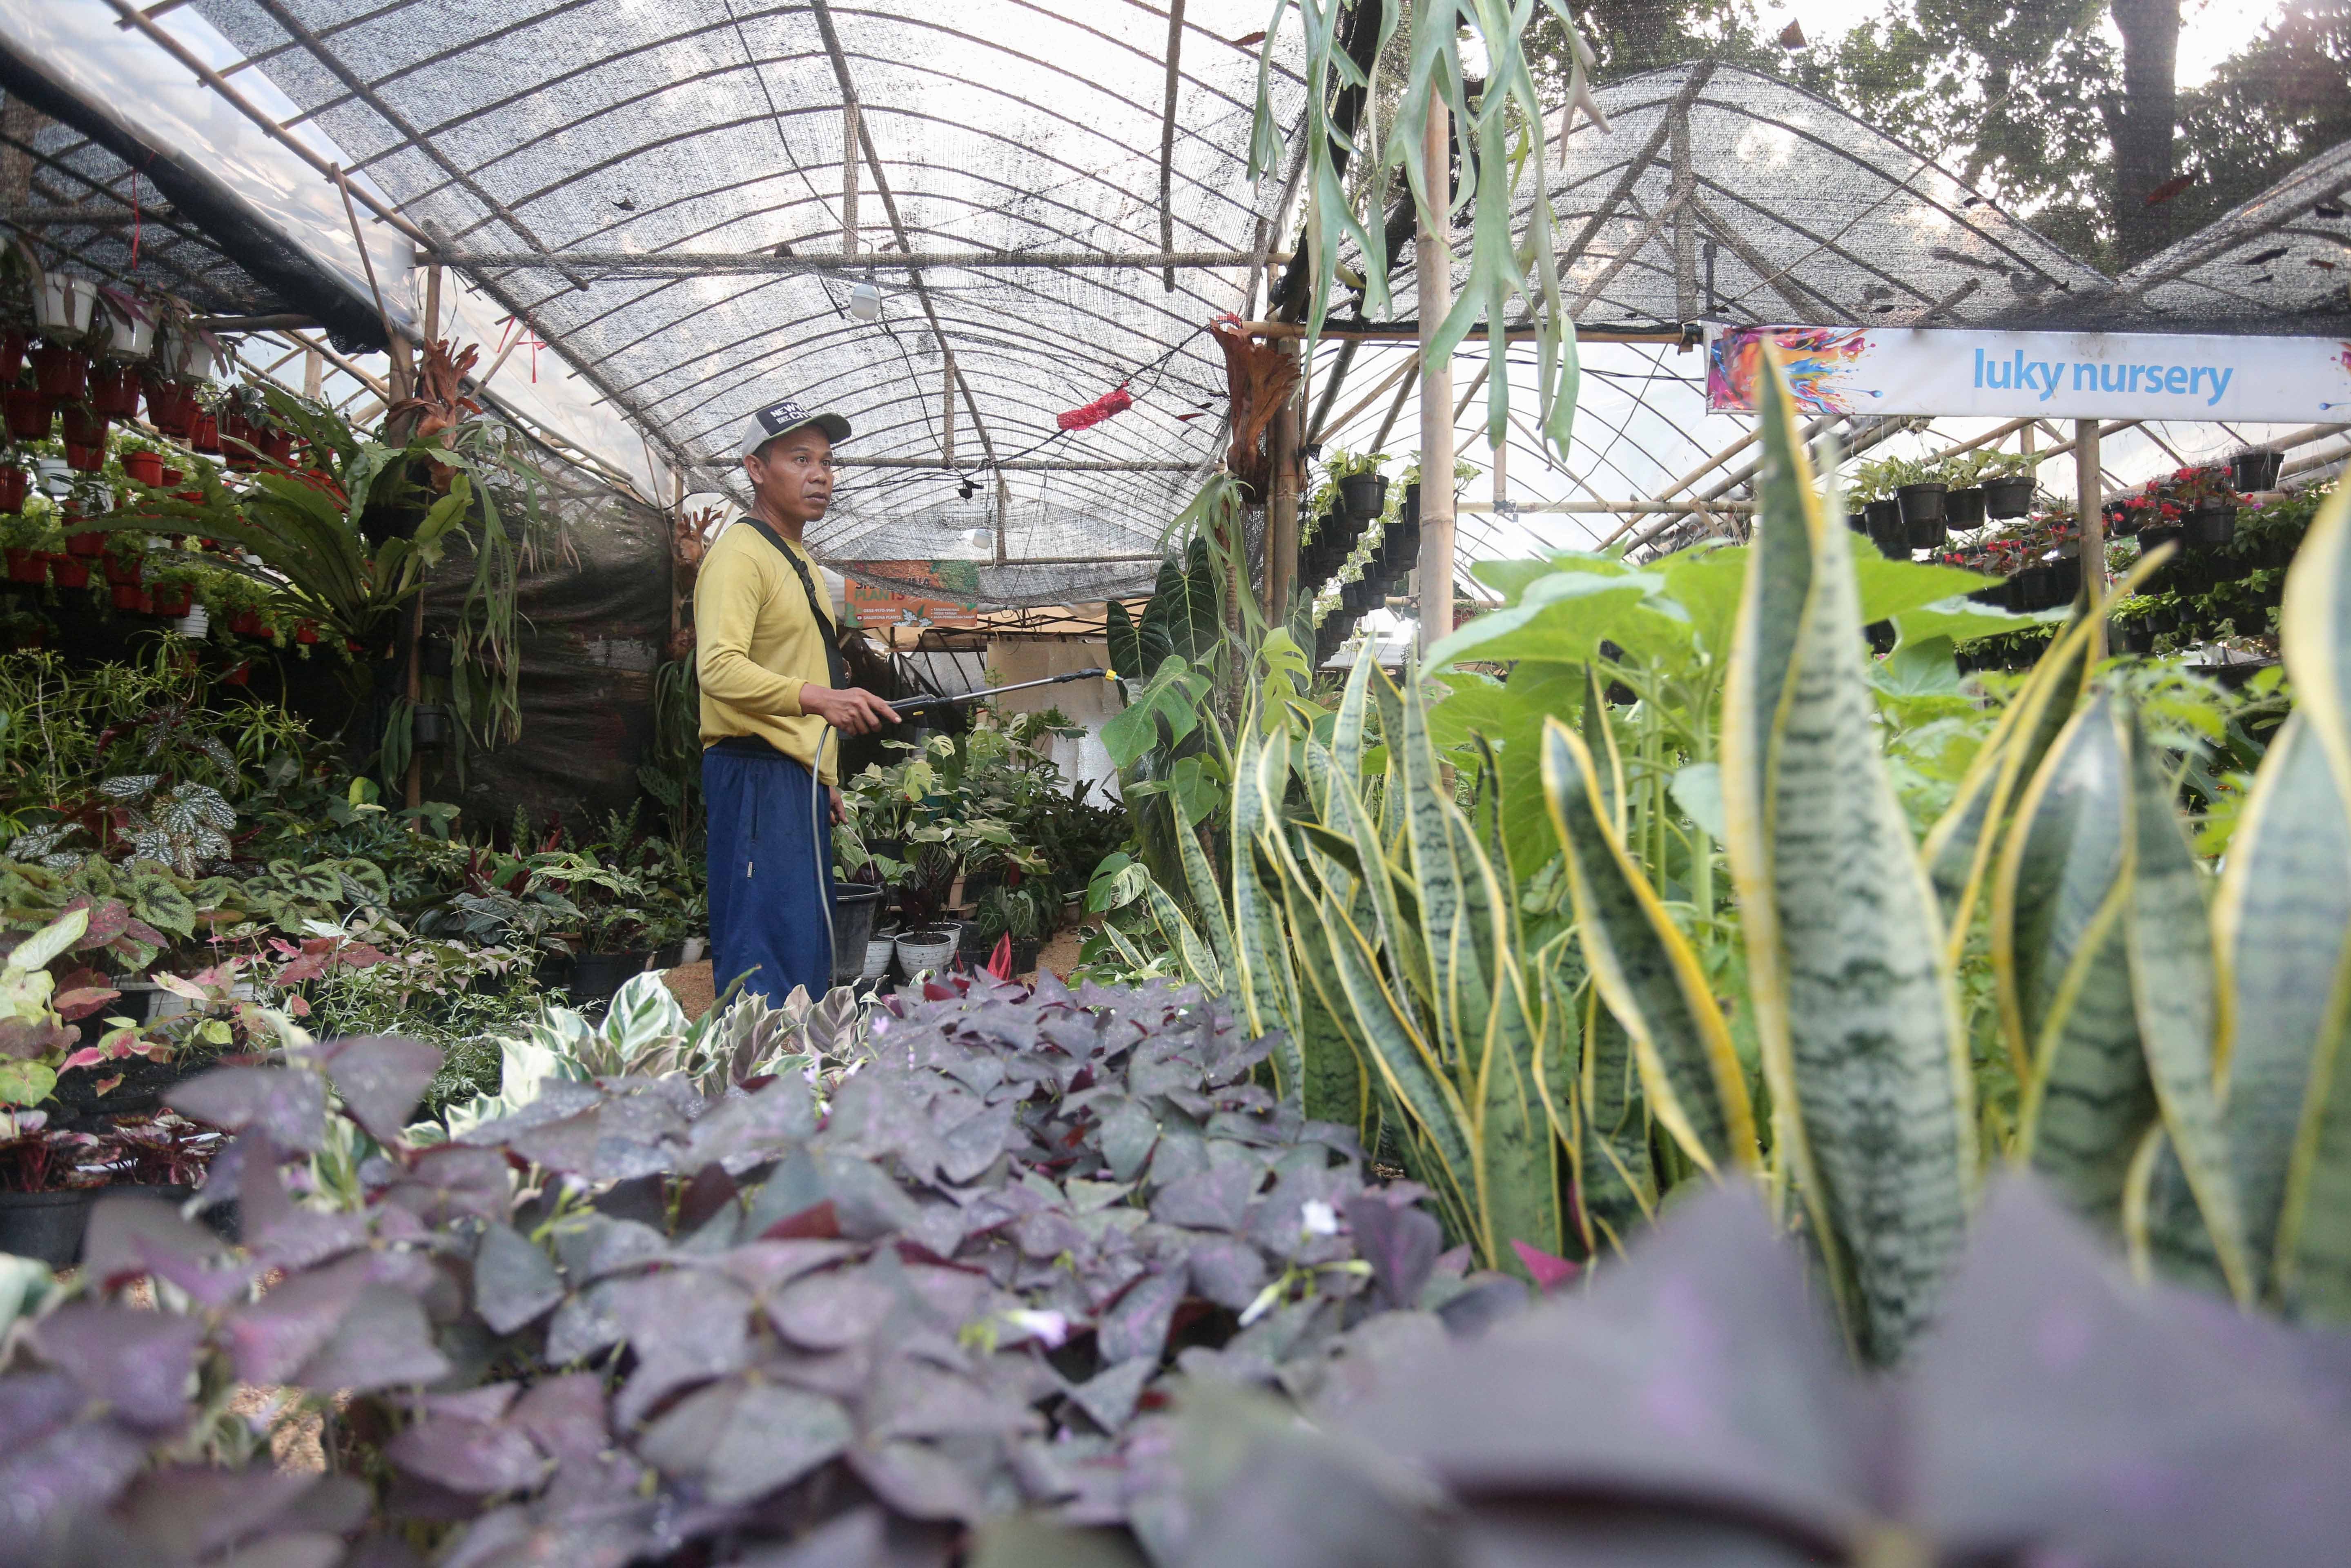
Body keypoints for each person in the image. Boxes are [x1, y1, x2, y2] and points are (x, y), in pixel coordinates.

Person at [695, 396, 899, 1004]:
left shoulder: (802, 562)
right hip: (752, 776)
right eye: (800, 458)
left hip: (792, 777)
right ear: (755, 469)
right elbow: (718, 669)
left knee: (802, 944)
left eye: (829, 463)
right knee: (763, 955)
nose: (821, 475)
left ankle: (801, 1083)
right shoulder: (740, 554)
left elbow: (789, 664)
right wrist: (817, 699)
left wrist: (823, 774)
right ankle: (758, 1086)